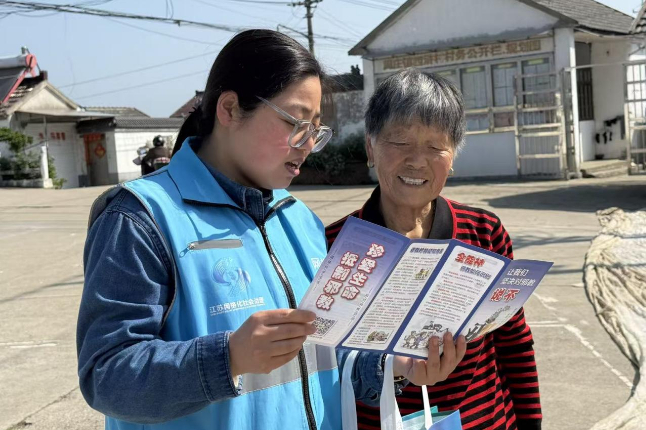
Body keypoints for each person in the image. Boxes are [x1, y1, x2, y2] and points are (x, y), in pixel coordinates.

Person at [77, 30, 464, 430]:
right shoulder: (141, 218)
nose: (307, 144)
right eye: (296, 123)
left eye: (316, 130)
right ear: (230, 109)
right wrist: (229, 358)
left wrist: (394, 365)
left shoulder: (299, 219)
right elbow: (106, 376)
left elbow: (325, 357)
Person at [326, 69, 542, 430]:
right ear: (370, 148)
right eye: (400, 142)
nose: (417, 160)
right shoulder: (333, 246)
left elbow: (514, 342)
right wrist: (393, 370)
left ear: (453, 155)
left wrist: (531, 424)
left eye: (435, 146)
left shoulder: (485, 233)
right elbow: (321, 365)